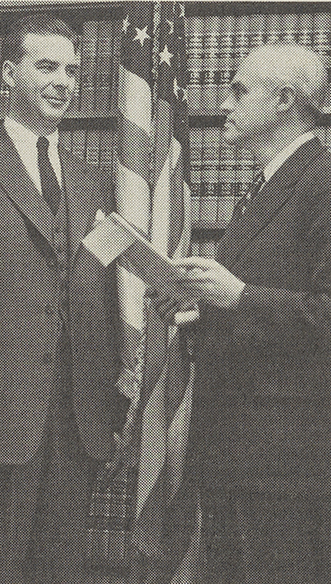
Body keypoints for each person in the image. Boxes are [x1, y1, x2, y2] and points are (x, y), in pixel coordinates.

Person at [0, 14, 128, 584]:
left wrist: (116, 390)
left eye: (72, 70)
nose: (63, 82)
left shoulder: (89, 176)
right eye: (46, 67)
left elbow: (98, 292)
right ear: (7, 73)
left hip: (77, 421)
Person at [153, 43, 331, 583]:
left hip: (286, 458)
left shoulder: (322, 180)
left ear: (282, 102)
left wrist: (237, 296)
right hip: (235, 444)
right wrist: (197, 306)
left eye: (239, 90)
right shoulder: (267, 182)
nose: (223, 102)